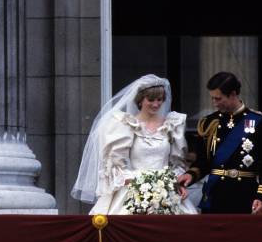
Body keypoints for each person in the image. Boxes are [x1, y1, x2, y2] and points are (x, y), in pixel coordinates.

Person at [71, 74, 198, 215]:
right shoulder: (124, 125)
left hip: (166, 191)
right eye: (150, 100)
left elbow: (177, 163)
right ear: (140, 100)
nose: (156, 104)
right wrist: (142, 184)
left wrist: (174, 183)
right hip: (133, 189)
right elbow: (116, 166)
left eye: (160, 100)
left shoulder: (172, 125)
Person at [177, 72, 262, 214]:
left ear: (232, 94)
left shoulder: (259, 122)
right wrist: (190, 175)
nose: (214, 103)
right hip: (215, 196)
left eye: (218, 98)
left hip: (246, 196)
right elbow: (203, 162)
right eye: (213, 98)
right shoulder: (209, 123)